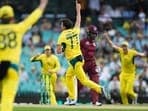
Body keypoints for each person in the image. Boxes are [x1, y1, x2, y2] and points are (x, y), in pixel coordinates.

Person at [57, 0, 110, 105]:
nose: (60, 26)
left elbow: (59, 51)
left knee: (84, 81)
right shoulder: (75, 30)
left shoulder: (62, 36)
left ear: (64, 26)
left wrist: (62, 49)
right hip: (80, 59)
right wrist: (78, 9)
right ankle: (72, 98)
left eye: (61, 24)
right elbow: (78, 19)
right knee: (68, 76)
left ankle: (100, 89)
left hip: (74, 61)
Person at [0, 0, 48, 111]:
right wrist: (43, 4)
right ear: (12, 18)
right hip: (12, 67)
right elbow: (32, 18)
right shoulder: (18, 28)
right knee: (7, 98)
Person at [103, 32, 146, 104]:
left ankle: (135, 96)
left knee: (128, 91)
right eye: (123, 46)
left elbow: (140, 54)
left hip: (131, 74)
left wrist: (144, 54)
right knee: (122, 92)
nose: (124, 48)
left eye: (125, 46)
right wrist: (107, 37)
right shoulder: (120, 50)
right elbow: (112, 45)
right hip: (123, 74)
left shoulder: (132, 52)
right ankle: (126, 106)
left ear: (127, 47)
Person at [78, 25, 102, 106]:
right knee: (80, 83)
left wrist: (95, 64)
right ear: (88, 33)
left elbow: (92, 54)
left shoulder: (95, 43)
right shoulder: (82, 42)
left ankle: (95, 101)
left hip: (92, 64)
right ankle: (72, 98)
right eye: (92, 34)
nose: (94, 35)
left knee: (95, 81)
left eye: (95, 34)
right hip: (83, 64)